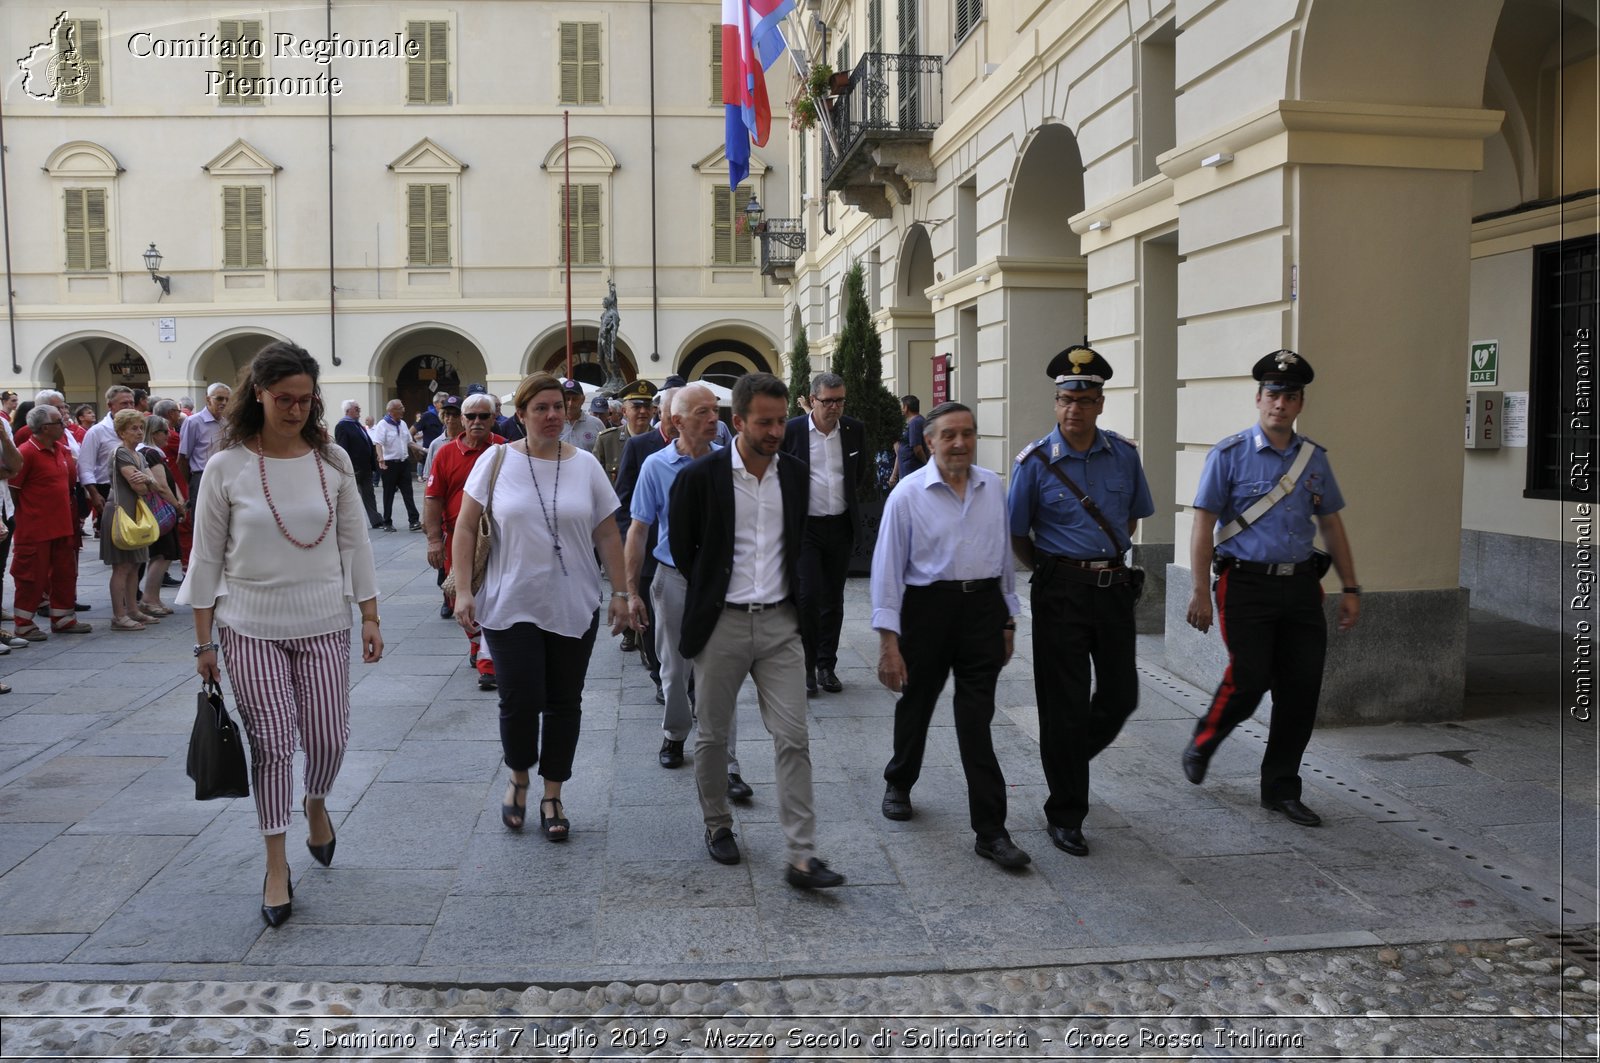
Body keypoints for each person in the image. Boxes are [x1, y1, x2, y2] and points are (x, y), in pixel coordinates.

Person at [179, 341, 383, 928]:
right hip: (247, 625)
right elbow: (205, 558)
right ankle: (275, 864)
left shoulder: (334, 461)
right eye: (284, 399)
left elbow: (355, 542)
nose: (295, 409)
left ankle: (315, 801)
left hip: (324, 622)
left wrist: (369, 614)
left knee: (329, 739)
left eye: (305, 399)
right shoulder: (228, 466)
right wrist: (203, 643)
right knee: (271, 745)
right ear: (259, 395)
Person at [669, 372, 845, 889]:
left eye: (779, 421)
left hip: (780, 625)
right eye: (764, 422)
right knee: (714, 735)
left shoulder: (794, 475)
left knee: (794, 736)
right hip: (721, 624)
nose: (775, 431)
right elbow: (684, 551)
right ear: (737, 421)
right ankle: (718, 824)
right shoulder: (699, 479)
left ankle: (801, 854)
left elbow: (797, 543)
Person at [1182, 350, 1359, 828]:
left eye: (1291, 396)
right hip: (1245, 585)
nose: (1281, 403)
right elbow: (1202, 526)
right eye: (1273, 394)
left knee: (1300, 689)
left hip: (1301, 586)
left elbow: (1332, 525)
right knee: (1251, 676)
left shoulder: (1314, 460)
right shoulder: (1229, 454)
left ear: (1300, 403)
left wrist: (1351, 586)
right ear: (1259, 398)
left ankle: (1281, 789)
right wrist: (1199, 590)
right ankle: (1206, 737)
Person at [452, 372, 628, 840]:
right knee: (519, 698)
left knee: (564, 702)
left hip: (573, 602)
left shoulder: (586, 465)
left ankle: (553, 794)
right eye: (541, 408)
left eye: (559, 406)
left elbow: (608, 532)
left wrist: (623, 593)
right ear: (522, 414)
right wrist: (464, 590)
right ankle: (518, 778)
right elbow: (466, 527)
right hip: (511, 600)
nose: (553, 415)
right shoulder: (495, 461)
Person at [1007, 345, 1154, 856]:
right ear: (1056, 402)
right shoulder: (1034, 463)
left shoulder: (1124, 455)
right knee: (1064, 705)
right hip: (1060, 593)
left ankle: (1066, 760)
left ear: (1100, 403)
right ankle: (1066, 811)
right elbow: (1017, 533)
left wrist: (1100, 560)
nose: (1075, 408)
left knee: (1120, 697)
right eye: (1067, 398)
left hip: (1113, 591)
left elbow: (1130, 519)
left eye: (1085, 398)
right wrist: (1056, 569)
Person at [871, 401, 1030, 870]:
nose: (960, 443)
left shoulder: (991, 487)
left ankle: (991, 831)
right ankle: (899, 778)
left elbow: (1003, 557)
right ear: (929, 443)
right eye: (949, 435)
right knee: (917, 701)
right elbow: (885, 573)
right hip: (928, 609)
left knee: (975, 720)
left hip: (982, 610)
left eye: (968, 433)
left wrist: (1007, 619)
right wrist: (888, 643)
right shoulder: (907, 494)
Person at [625, 385, 745, 796]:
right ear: (678, 421)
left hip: (721, 581)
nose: (715, 419)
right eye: (703, 413)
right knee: (674, 668)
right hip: (673, 578)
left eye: (715, 410)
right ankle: (675, 733)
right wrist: (630, 592)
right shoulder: (656, 467)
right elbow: (638, 530)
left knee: (722, 673)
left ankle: (728, 764)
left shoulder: (732, 463)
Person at [780, 371, 864, 696]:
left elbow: (859, 476)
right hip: (806, 529)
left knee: (834, 598)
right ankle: (806, 666)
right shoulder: (793, 431)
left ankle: (827, 665)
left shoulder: (854, 430)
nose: (835, 407)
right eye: (828, 401)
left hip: (840, 525)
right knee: (807, 596)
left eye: (840, 400)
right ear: (812, 399)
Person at [426, 392, 505, 687]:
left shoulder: (504, 449)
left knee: (492, 594)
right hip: (456, 538)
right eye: (470, 416)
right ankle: (476, 642)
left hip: (495, 537)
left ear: (493, 419)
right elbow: (433, 499)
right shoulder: (446, 453)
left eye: (484, 416)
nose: (476, 422)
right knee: (457, 593)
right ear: (462, 419)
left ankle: (488, 660)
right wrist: (433, 539)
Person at [10, 404, 91, 639]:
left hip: (63, 524)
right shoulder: (26, 452)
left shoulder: (61, 449)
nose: (64, 425)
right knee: (30, 576)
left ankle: (63, 618)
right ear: (45, 428)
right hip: (35, 528)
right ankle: (23, 623)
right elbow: (14, 491)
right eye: (59, 422)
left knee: (65, 573)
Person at [613, 387, 674, 694]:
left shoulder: (708, 448)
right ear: (662, 414)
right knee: (650, 619)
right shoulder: (640, 446)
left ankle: (685, 679)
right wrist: (629, 544)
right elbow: (623, 502)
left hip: (684, 553)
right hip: (648, 549)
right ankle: (660, 677)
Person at [101, 409, 160, 631]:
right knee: (122, 566)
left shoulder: (140, 455)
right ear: (121, 432)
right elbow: (140, 486)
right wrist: (148, 480)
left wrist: (147, 480)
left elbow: (151, 484)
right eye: (133, 428)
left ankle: (133, 609)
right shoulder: (121, 453)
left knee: (136, 564)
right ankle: (119, 615)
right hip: (120, 511)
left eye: (141, 427)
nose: (139, 432)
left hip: (135, 511)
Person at [137, 413, 186, 614]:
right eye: (166, 431)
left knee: (163, 554)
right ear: (155, 433)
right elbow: (162, 486)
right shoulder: (151, 453)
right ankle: (149, 599)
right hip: (161, 513)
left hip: (158, 511)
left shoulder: (150, 452)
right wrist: (178, 506)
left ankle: (153, 598)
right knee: (162, 555)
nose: (170, 434)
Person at [79, 386, 137, 533]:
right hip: (108, 490)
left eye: (132, 403)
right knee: (115, 537)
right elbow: (85, 466)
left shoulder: (139, 428)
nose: (130, 407)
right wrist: (94, 494)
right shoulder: (97, 431)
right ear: (110, 406)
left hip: (136, 488)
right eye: (124, 403)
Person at [179, 383, 230, 519]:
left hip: (224, 478)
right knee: (202, 519)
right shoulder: (193, 422)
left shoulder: (226, 423)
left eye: (227, 399)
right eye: (219, 399)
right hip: (201, 476)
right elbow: (182, 458)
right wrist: (193, 482)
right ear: (208, 399)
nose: (224, 403)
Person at [372, 399, 421, 531]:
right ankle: (387, 522)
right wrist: (381, 458)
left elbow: (409, 442)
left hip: (403, 463)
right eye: (400, 408)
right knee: (388, 494)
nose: (403, 409)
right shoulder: (382, 425)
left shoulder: (403, 424)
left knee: (408, 493)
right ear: (391, 411)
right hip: (389, 465)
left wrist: (424, 449)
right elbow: (378, 443)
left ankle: (414, 520)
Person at [595, 379, 655, 485]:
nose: (643, 411)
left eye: (647, 406)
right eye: (636, 407)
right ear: (624, 411)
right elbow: (594, 481)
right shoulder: (607, 440)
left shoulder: (662, 440)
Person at [333, 399, 382, 529]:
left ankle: (375, 519)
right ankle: (347, 521)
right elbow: (343, 449)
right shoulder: (342, 426)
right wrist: (349, 467)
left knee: (369, 494)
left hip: (365, 467)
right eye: (356, 408)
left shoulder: (357, 425)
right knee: (350, 496)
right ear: (348, 410)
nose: (359, 411)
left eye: (359, 408)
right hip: (354, 468)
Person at [889, 395, 927, 487]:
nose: (901, 409)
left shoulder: (915, 422)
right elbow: (900, 450)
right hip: (906, 472)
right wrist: (894, 474)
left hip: (911, 473)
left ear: (906, 407)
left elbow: (917, 449)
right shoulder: (912, 422)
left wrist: (927, 465)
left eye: (902, 406)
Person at [559, 379, 605, 452]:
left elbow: (605, 453)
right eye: (567, 399)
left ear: (582, 399)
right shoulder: (553, 424)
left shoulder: (596, 424)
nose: (570, 404)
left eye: (574, 399)